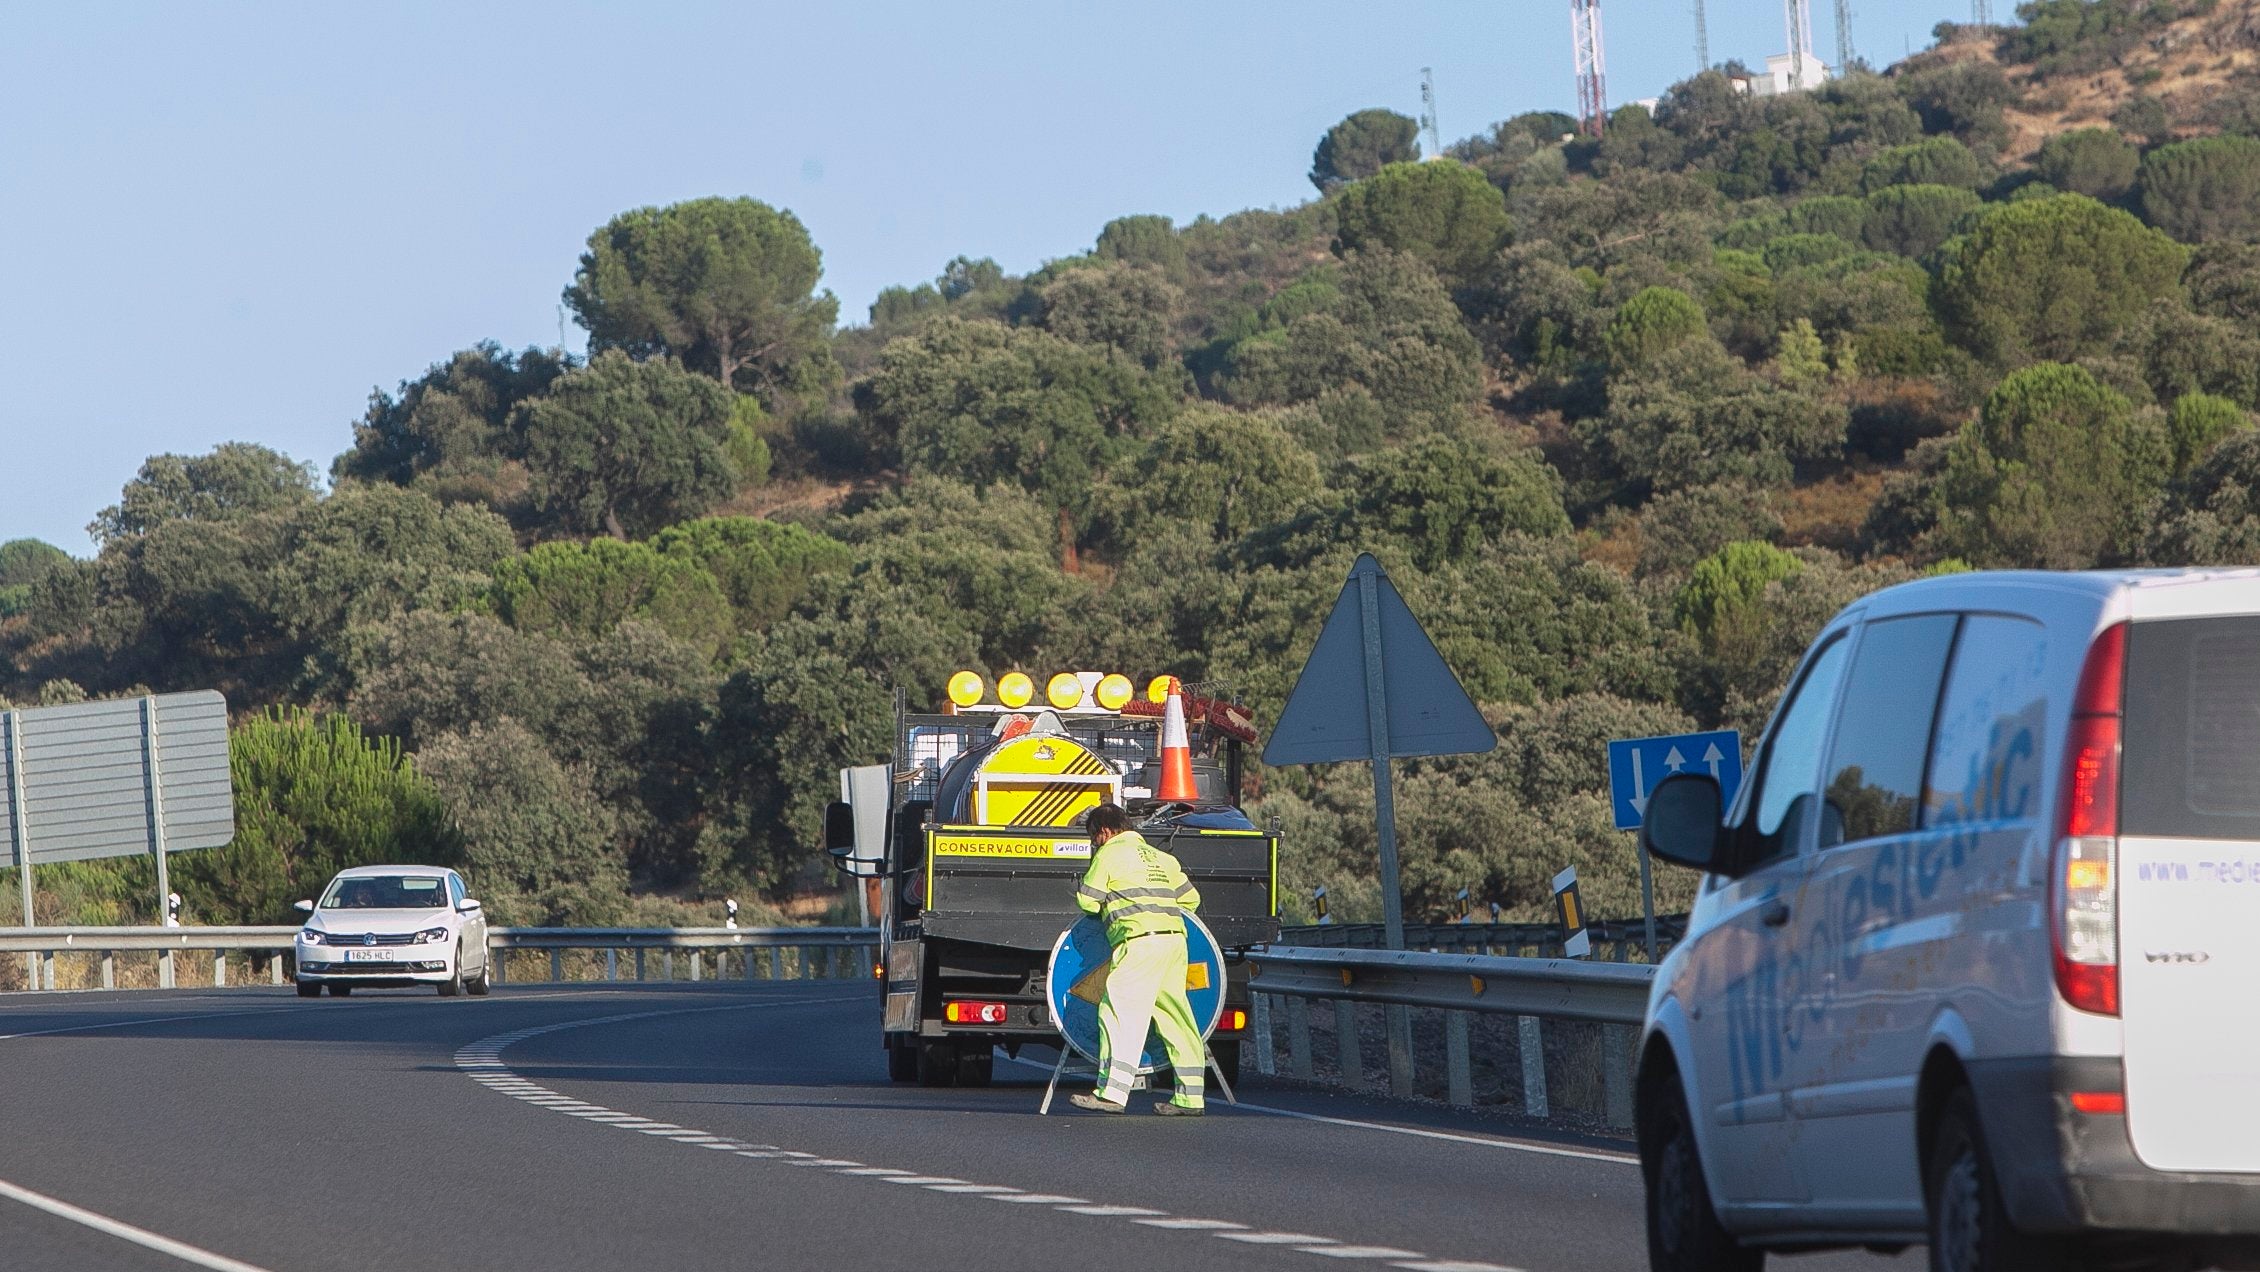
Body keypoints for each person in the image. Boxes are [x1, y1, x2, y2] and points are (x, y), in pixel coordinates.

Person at [1068, 803, 1207, 1116]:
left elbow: (1088, 901)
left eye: (1094, 839)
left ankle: (1112, 1093)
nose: (1095, 844)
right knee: (1176, 1017)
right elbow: (1191, 900)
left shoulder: (1109, 855)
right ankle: (1190, 1098)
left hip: (1138, 942)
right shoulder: (1163, 858)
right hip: (1174, 942)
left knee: (1117, 1011)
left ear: (1104, 832)